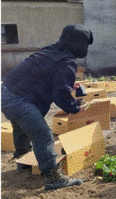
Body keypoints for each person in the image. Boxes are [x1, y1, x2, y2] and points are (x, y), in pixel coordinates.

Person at [1, 24, 93, 190]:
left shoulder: (52, 51)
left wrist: (68, 85)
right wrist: (76, 108)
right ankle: (53, 178)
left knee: (21, 129)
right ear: (78, 44)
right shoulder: (65, 61)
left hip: (6, 92)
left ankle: (23, 161)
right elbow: (60, 96)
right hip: (20, 100)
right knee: (43, 136)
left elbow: (45, 76)